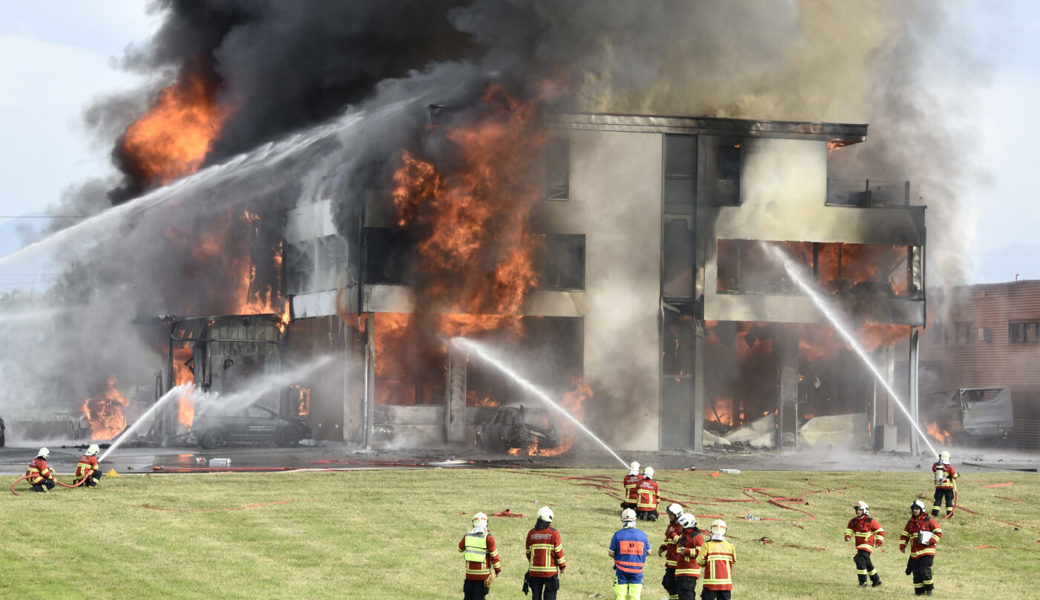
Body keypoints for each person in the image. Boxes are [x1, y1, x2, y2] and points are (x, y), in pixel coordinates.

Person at [899, 500, 942, 596]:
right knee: (916, 573)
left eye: (917, 509)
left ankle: (929, 590)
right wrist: (902, 545)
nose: (915, 511)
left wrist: (931, 541)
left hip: (927, 551)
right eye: (914, 509)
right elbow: (905, 535)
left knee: (925, 570)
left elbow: (938, 532)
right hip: (915, 553)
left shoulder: (928, 520)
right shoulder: (910, 522)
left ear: (921, 510)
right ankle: (919, 592)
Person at [525, 506, 566, 600]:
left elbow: (528, 553)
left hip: (534, 572)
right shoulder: (554, 533)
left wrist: (534, 563)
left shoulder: (531, 533)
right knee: (550, 596)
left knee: (536, 597)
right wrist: (562, 566)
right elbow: (558, 553)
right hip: (550, 573)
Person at [608, 508, 650, 600]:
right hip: (637, 571)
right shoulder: (643, 535)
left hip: (621, 570)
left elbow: (611, 553)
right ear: (635, 520)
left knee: (620, 595)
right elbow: (648, 552)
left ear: (622, 521)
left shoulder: (617, 535)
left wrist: (622, 557)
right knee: (635, 596)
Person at [459, 512, 502, 600]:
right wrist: (498, 570)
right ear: (486, 523)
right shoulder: (488, 538)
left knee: (468, 597)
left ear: (473, 523)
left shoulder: (467, 536)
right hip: (483, 575)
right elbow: (494, 556)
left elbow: (460, 549)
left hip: (469, 574)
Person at [844, 500, 884, 588]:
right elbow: (849, 530)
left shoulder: (870, 521)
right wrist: (847, 536)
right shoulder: (853, 521)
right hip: (859, 545)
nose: (858, 511)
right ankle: (876, 580)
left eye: (860, 510)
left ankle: (863, 582)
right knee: (867, 562)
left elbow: (880, 531)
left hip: (867, 545)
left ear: (865, 510)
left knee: (859, 560)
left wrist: (878, 542)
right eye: (857, 509)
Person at [697, 519, 736, 600]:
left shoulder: (707, 545)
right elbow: (733, 561)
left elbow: (700, 561)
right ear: (725, 531)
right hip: (725, 584)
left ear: (711, 530)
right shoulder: (730, 545)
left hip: (710, 584)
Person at [674, 513, 705, 600]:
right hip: (682, 570)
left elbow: (701, 552)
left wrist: (687, 551)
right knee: (682, 594)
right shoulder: (684, 535)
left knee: (687, 595)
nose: (679, 527)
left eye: (681, 525)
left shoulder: (697, 537)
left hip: (689, 571)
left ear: (686, 524)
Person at [658, 503, 685, 600]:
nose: (669, 516)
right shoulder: (671, 526)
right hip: (670, 561)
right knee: (666, 582)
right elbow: (668, 540)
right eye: (669, 514)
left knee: (670, 582)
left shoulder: (682, 527)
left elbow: (682, 541)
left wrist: (672, 533)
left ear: (677, 515)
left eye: (671, 514)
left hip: (677, 561)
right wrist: (663, 547)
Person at [931, 451, 958, 518]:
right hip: (948, 487)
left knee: (937, 500)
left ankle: (934, 514)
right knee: (948, 500)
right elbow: (955, 476)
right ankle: (950, 515)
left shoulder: (936, 465)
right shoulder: (949, 467)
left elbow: (934, 471)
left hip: (939, 486)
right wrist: (957, 475)